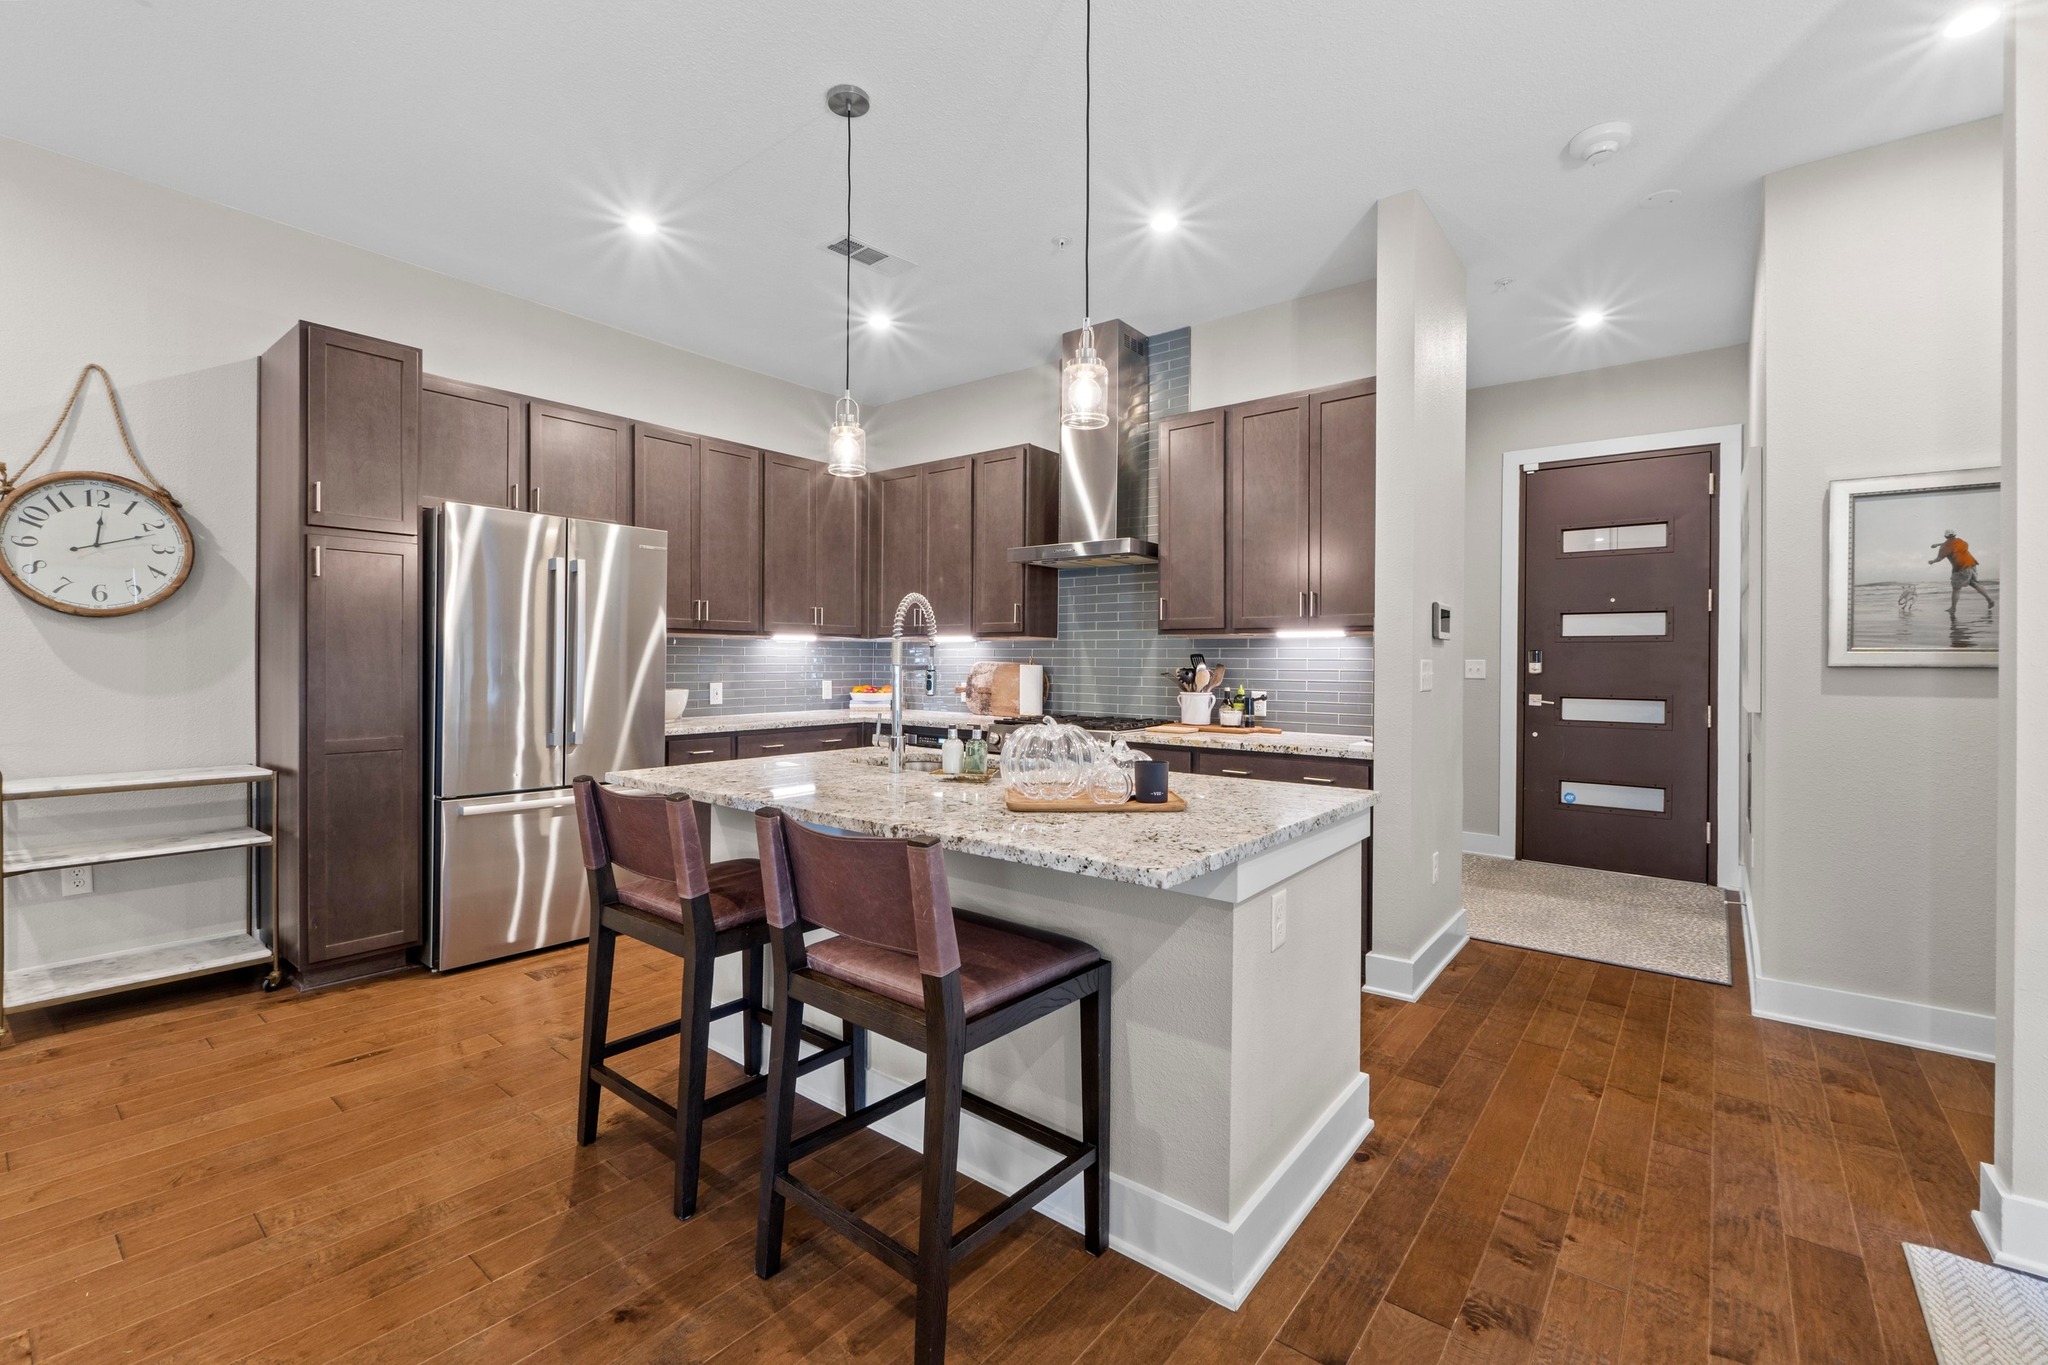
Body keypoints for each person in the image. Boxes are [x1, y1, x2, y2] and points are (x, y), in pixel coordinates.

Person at [1930, 530, 1995, 615]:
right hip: (1971, 564)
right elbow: (1952, 543)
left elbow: (1939, 558)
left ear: (1945, 537)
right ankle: (1989, 600)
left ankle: (1953, 608)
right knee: (1975, 583)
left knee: (1956, 588)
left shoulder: (1945, 547)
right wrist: (1938, 544)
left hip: (1960, 568)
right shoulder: (1962, 541)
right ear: (1955, 535)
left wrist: (1932, 561)